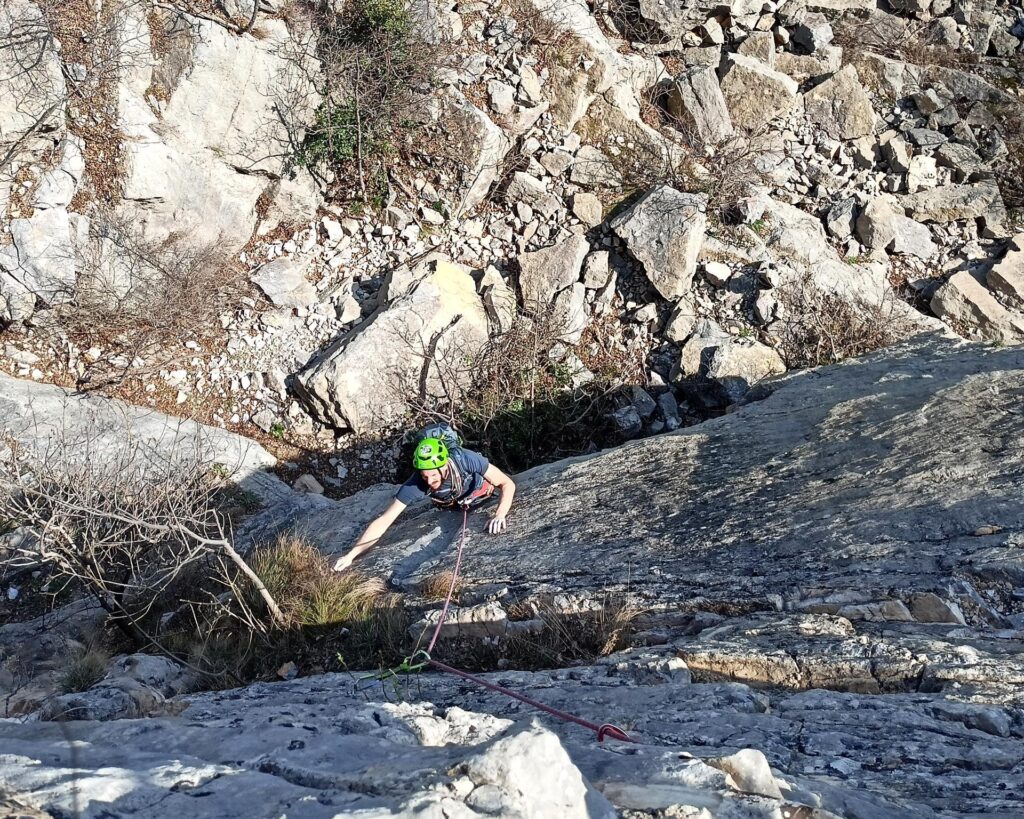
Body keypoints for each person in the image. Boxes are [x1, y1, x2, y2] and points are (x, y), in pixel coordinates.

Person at [332, 433, 516, 572]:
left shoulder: (466, 459)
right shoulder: (416, 483)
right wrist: (351, 555)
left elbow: (507, 483)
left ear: (444, 465)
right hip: (452, 504)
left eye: (433, 475)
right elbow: (385, 520)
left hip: (479, 492)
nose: (429, 481)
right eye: (424, 475)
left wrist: (500, 514)